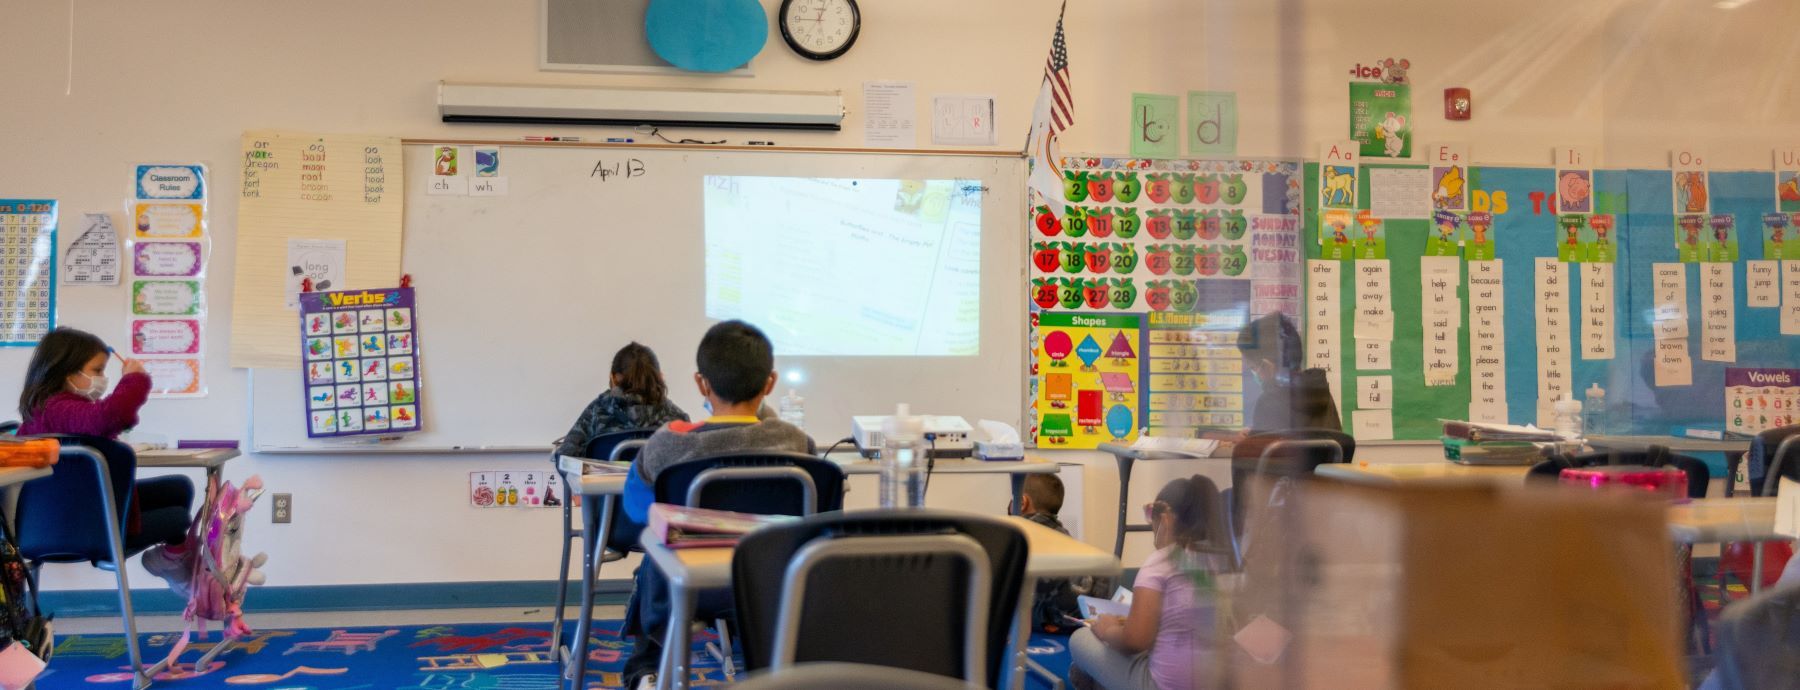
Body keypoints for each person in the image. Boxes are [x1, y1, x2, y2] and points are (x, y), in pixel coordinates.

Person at [621, 320, 812, 690]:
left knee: (654, 558)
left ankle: (648, 672)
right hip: (773, 584)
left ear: (701, 383)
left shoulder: (667, 443)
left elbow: (636, 511)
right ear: (770, 384)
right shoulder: (798, 444)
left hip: (689, 586)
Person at [16, 328, 194, 594]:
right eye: (97, 371)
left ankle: (172, 559)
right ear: (69, 373)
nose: (103, 379)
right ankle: (172, 561)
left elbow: (101, 424)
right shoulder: (58, 408)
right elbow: (109, 417)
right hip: (80, 525)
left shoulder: (52, 410)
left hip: (80, 512)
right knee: (178, 517)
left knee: (178, 488)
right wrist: (133, 380)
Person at [1070, 476, 1227, 690]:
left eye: (1150, 515)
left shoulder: (1160, 563)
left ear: (1166, 519)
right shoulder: (1225, 561)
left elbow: (1135, 642)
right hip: (1219, 682)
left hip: (1161, 685)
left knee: (1080, 639)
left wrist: (1109, 629)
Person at [552, 342, 689, 459]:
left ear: (613, 378)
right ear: (660, 377)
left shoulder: (597, 410)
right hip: (656, 491)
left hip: (604, 490)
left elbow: (565, 456)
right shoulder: (678, 419)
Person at [1016, 473, 1105, 635]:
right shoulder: (1062, 532)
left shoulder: (1021, 534)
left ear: (1023, 502)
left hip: (1058, 617)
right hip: (1085, 611)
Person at [1236, 313, 1340, 433]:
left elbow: (1263, 450)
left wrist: (1246, 442)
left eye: (1253, 367)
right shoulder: (1321, 393)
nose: (1254, 373)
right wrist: (1254, 433)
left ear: (1267, 365)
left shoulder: (1267, 403)